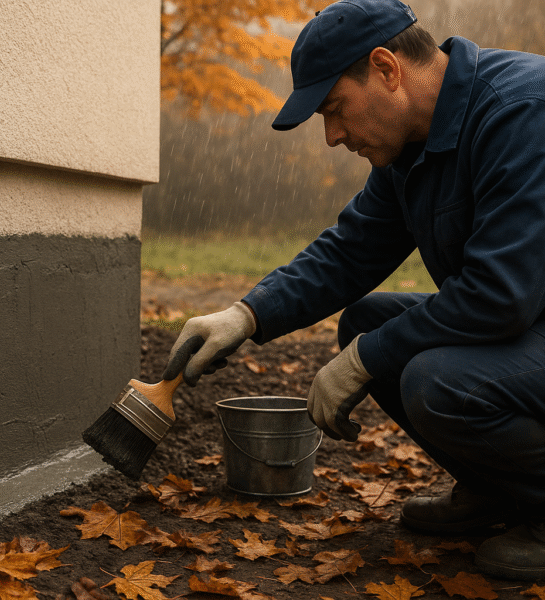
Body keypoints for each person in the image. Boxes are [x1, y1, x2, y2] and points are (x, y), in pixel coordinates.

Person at [161, 0, 545, 581]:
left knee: (435, 380)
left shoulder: (521, 112)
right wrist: (245, 315)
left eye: (335, 109)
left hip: (530, 318)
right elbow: (351, 249)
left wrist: (367, 359)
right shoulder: (414, 143)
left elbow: (500, 294)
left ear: (387, 69)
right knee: (368, 321)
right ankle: (498, 490)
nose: (332, 136)